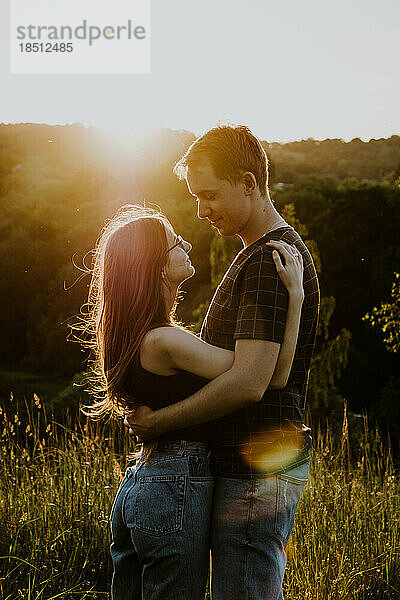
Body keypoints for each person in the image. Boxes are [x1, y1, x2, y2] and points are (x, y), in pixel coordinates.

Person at [126, 124, 320, 600]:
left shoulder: (266, 263)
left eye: (209, 195)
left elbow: (251, 383)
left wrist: (159, 422)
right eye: (196, 197)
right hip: (246, 468)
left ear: (249, 184)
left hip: (255, 470)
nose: (201, 210)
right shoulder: (256, 259)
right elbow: (266, 374)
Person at [79, 203, 305, 600]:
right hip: (172, 488)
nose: (186, 243)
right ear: (156, 267)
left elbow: (264, 377)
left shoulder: (139, 336)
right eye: (174, 243)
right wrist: (295, 301)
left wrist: (297, 300)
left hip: (141, 486)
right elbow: (261, 376)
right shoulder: (166, 340)